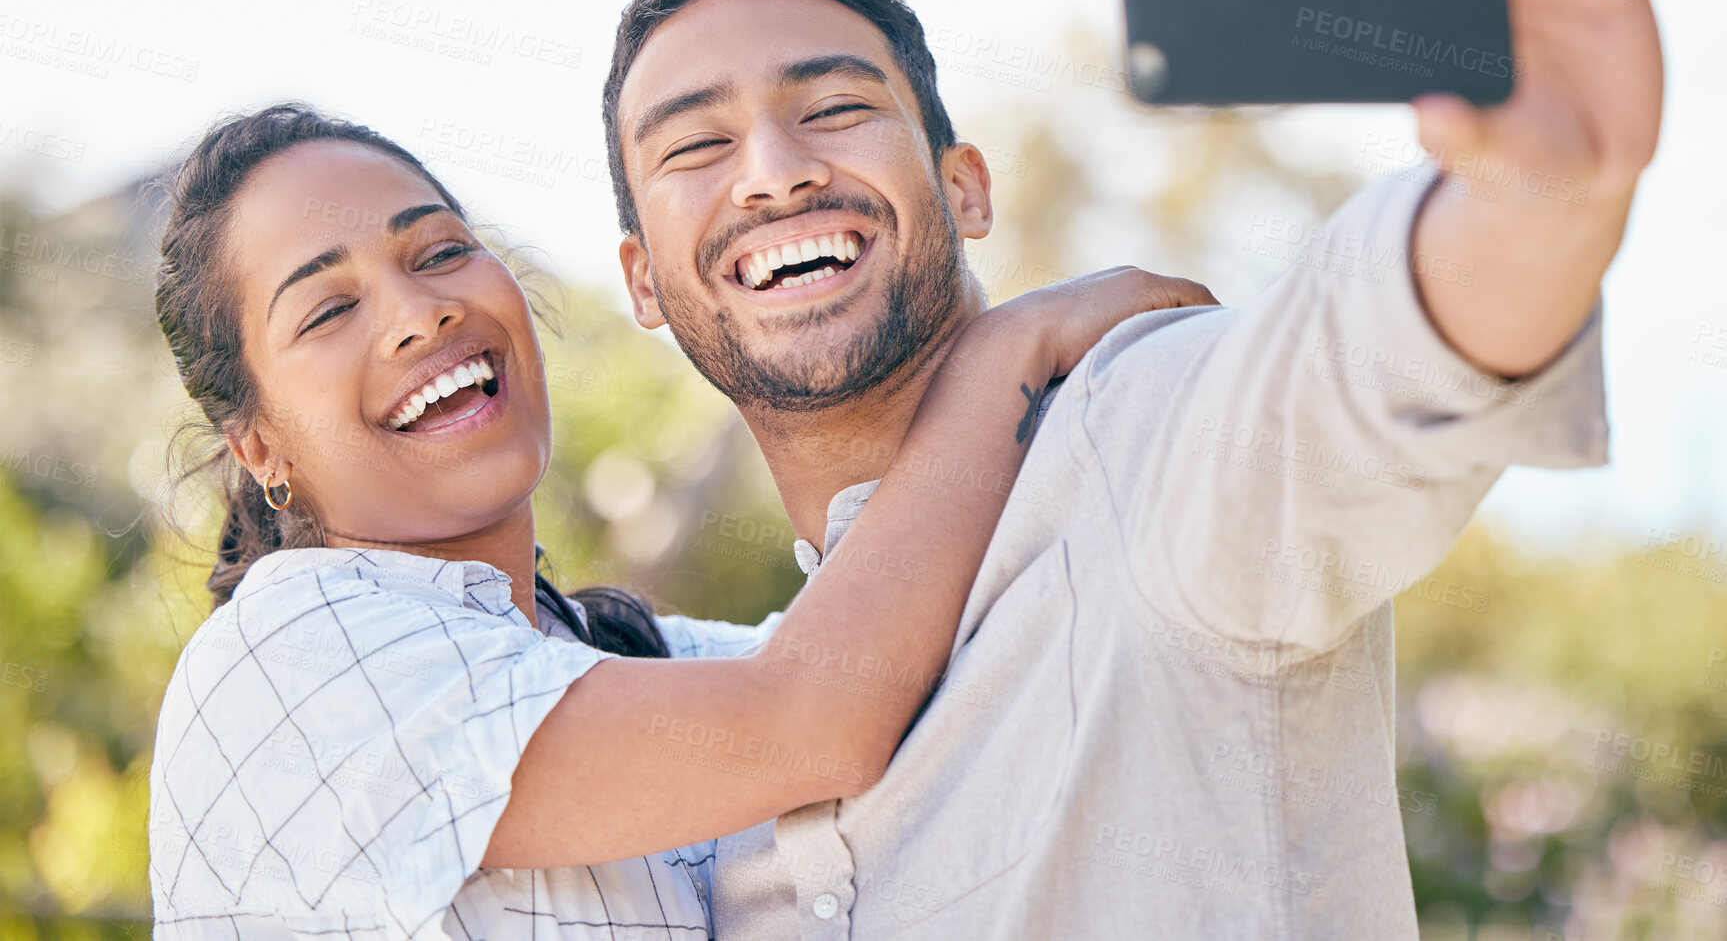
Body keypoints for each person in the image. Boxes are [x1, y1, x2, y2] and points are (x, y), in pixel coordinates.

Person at [600, 0, 1659, 938]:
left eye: (831, 108)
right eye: (694, 147)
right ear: (642, 282)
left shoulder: (1139, 438)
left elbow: (1358, 364)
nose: (775, 170)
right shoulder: (721, 794)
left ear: (964, 189)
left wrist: (1540, 205)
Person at [143, 104, 1213, 939]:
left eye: (437, 253)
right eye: (328, 310)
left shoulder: (629, 655)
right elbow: (812, 719)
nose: (420, 312)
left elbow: (922, 683)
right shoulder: (289, 659)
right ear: (258, 446)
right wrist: (1003, 356)